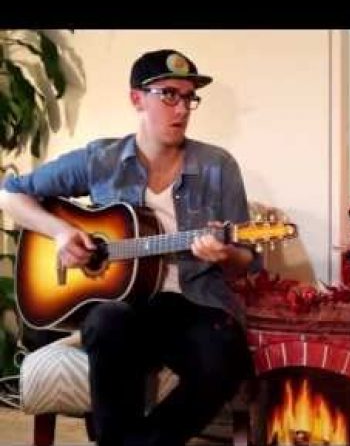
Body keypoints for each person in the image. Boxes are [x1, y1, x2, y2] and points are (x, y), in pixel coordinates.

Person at [0, 49, 261, 446]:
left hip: (192, 303)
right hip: (121, 306)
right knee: (108, 323)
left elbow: (248, 261)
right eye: (168, 94)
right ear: (137, 98)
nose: (182, 108)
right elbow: (9, 194)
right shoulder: (101, 159)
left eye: (189, 97)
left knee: (227, 357)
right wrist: (60, 232)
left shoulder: (217, 165)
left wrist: (226, 254)